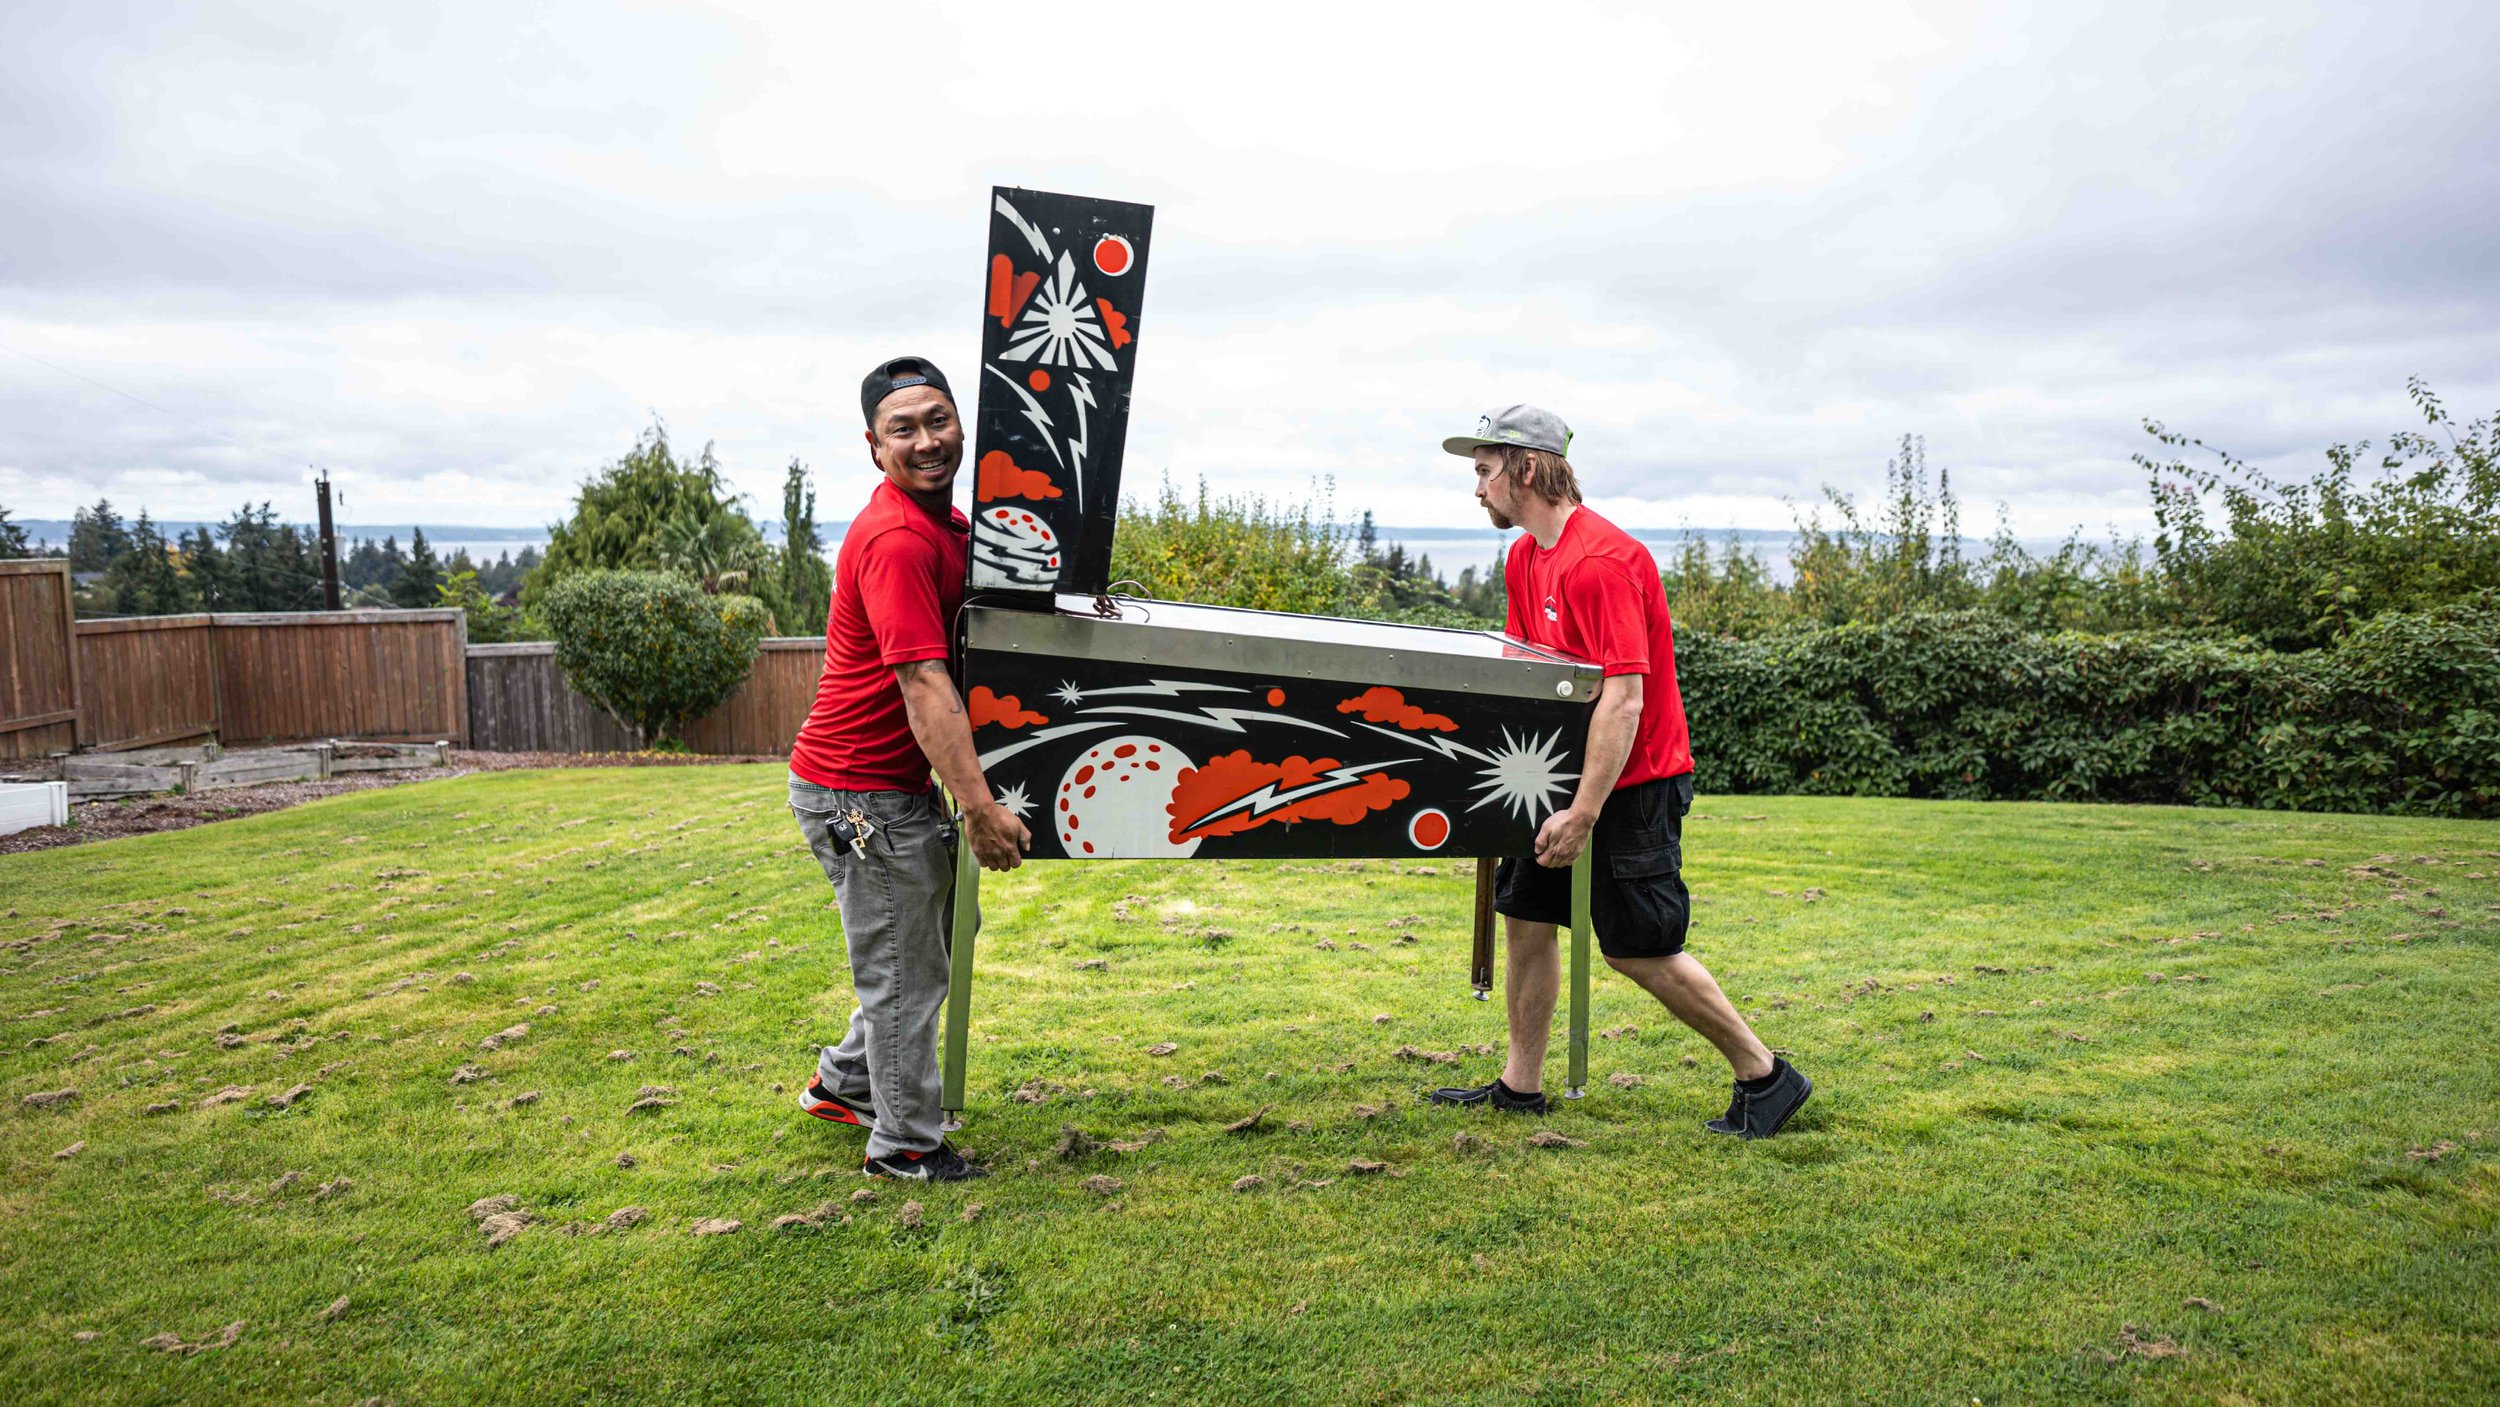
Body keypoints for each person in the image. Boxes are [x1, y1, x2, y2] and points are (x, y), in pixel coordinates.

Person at [1428, 405, 1812, 1138]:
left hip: (1628, 788)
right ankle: (1521, 1084)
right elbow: (1526, 675)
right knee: (1528, 921)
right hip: (1555, 781)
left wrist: (1584, 812)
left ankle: (1766, 1074)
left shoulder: (1603, 561)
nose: (1477, 489)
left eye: (1485, 471)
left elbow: (1624, 699)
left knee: (1641, 948)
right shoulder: (1523, 558)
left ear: (1528, 469)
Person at [785, 355, 1031, 1181]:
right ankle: (905, 1145)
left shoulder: (946, 527)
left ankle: (843, 1083)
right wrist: (981, 808)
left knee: (917, 951)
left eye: (939, 421)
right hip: (858, 791)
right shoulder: (894, 539)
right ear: (873, 444)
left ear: (963, 425)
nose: (927, 441)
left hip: (880, 785)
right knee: (905, 972)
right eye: (904, 428)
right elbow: (925, 684)